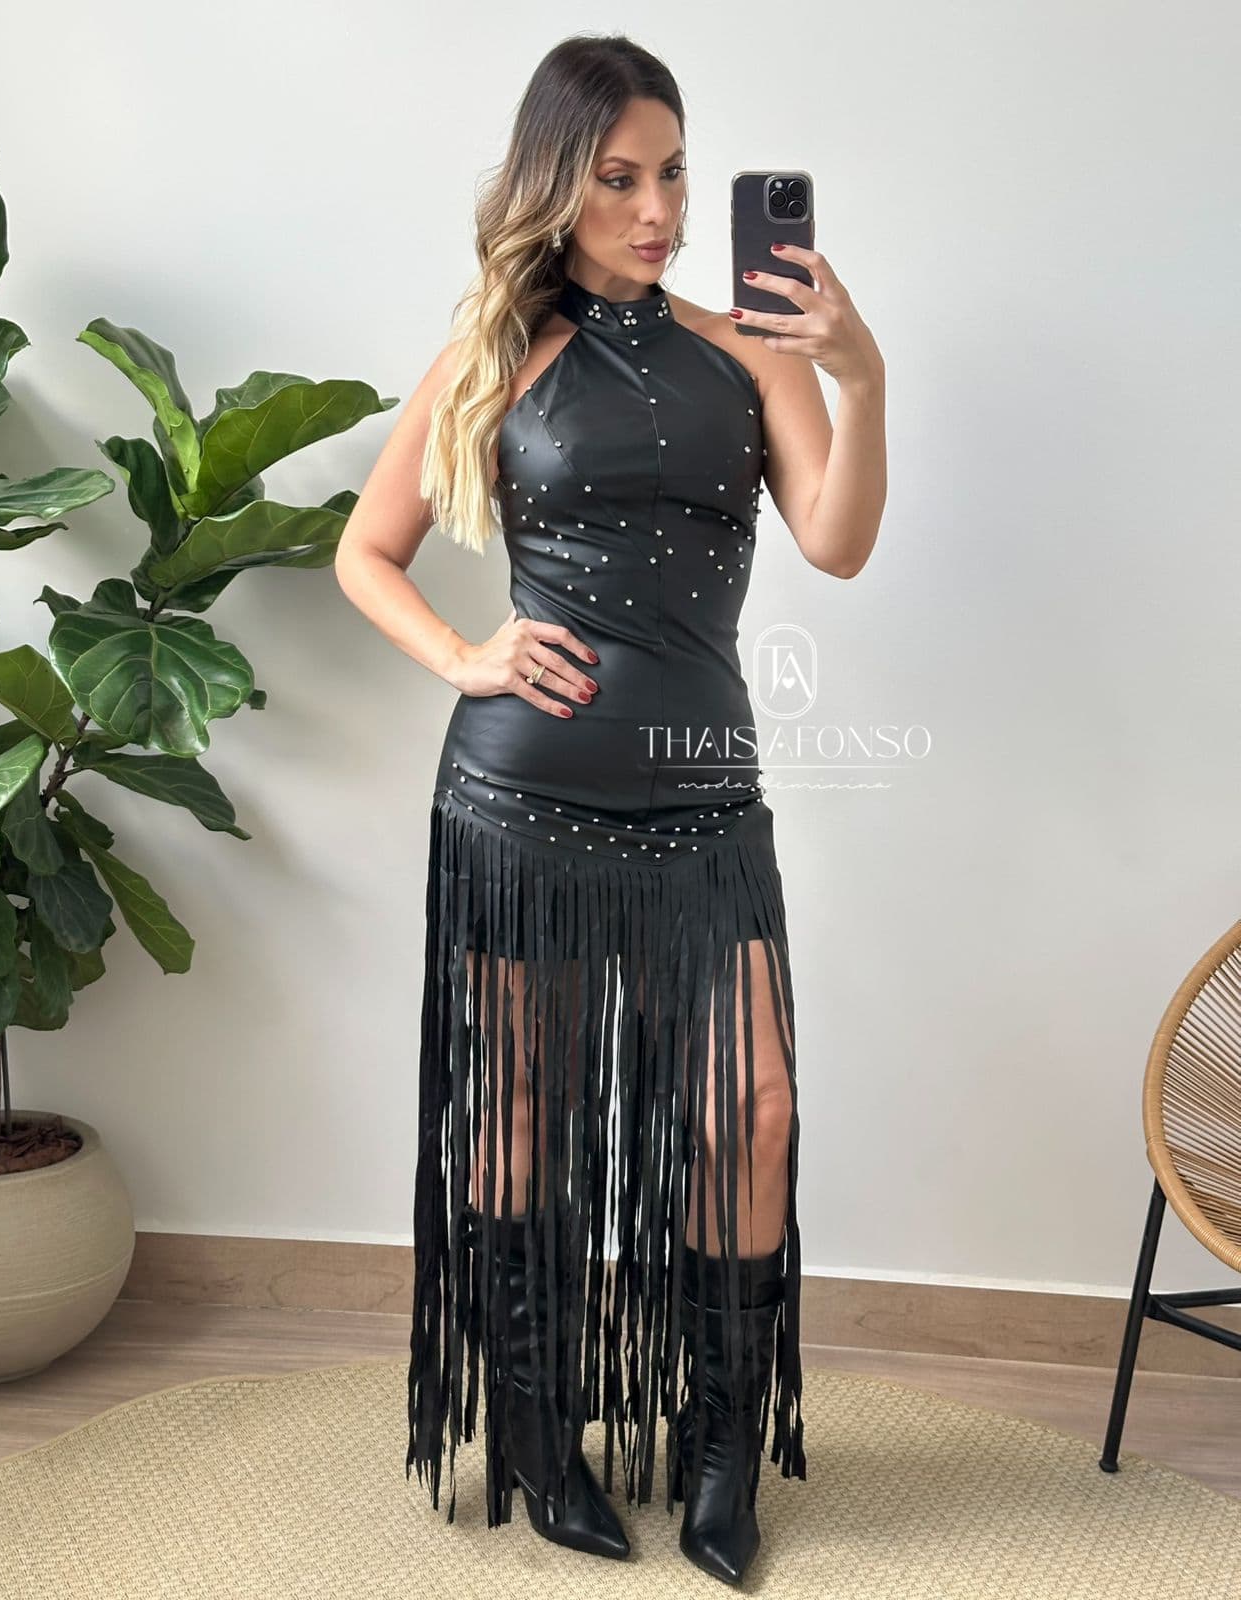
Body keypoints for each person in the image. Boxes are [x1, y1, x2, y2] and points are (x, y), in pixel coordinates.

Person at [335, 32, 886, 1586]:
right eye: (622, 179)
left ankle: (721, 1460)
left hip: (708, 804)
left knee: (752, 1109)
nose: (659, 211)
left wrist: (861, 373)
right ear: (558, 184)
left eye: (676, 176)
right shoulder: (496, 353)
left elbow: (838, 538)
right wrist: (466, 654)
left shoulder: (751, 350)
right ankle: (535, 1429)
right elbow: (365, 552)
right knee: (522, 1115)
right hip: (522, 801)